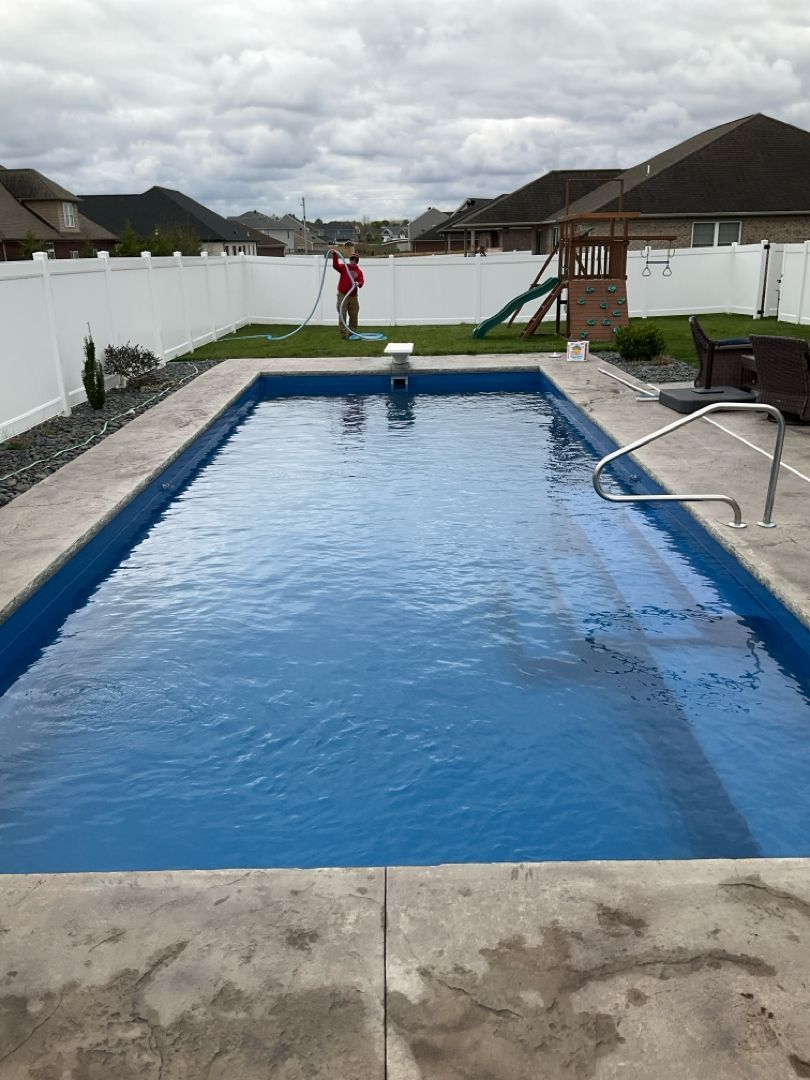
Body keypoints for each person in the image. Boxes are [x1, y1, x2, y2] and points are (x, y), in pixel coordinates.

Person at [331, 251, 364, 339]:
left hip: (353, 296)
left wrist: (358, 283)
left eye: (356, 260)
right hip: (343, 294)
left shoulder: (359, 271)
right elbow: (335, 266)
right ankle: (343, 334)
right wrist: (335, 256)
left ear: (357, 262)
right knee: (342, 313)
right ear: (350, 260)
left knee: (354, 314)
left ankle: (352, 332)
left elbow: (361, 281)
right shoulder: (344, 267)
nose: (354, 261)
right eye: (352, 259)